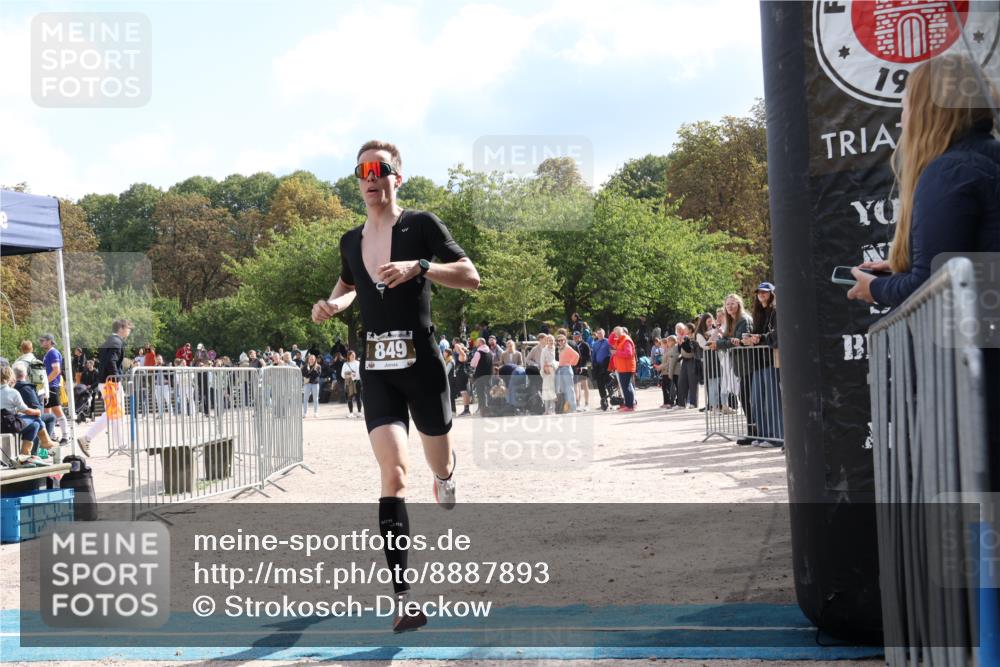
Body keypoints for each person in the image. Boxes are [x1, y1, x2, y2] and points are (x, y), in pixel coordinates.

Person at [311, 140, 479, 633]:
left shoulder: (421, 225)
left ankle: (446, 475)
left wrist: (420, 267)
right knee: (394, 475)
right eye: (362, 170)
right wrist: (332, 305)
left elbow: (470, 276)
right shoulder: (350, 240)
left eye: (379, 168)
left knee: (437, 462)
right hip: (378, 369)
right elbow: (348, 286)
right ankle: (404, 597)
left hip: (422, 365)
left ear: (396, 177)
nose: (370, 176)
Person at [847, 55, 999, 307]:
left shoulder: (949, 172)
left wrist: (876, 288)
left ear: (925, 112)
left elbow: (931, 286)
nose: (901, 119)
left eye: (905, 106)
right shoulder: (984, 157)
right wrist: (908, 267)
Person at [77, 318, 132, 457]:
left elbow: (108, 361)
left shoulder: (110, 341)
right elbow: (111, 362)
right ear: (121, 328)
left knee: (114, 413)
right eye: (128, 328)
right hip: (110, 383)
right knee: (115, 413)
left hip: (107, 382)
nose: (129, 331)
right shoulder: (116, 342)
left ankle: (118, 445)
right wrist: (116, 378)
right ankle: (90, 438)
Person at [712, 295, 754, 444]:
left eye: (732, 303)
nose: (729, 306)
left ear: (739, 304)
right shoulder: (732, 321)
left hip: (749, 364)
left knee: (747, 398)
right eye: (727, 304)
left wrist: (722, 343)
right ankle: (752, 431)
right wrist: (726, 341)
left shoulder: (743, 320)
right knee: (744, 397)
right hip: (741, 365)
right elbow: (727, 340)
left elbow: (740, 340)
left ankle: (754, 432)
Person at [745, 283, 782, 447]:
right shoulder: (758, 313)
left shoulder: (776, 311)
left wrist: (760, 338)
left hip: (771, 361)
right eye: (759, 292)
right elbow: (758, 335)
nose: (761, 294)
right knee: (756, 401)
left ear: (771, 293)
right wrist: (749, 339)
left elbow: (777, 334)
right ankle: (762, 435)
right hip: (758, 362)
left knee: (772, 401)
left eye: (764, 292)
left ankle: (776, 437)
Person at [1, 365, 57, 466]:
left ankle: (25, 456)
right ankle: (43, 443)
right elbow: (26, 410)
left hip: (3, 423)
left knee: (35, 425)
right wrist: (37, 412)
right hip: (10, 425)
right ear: (11, 377)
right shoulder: (12, 392)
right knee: (35, 417)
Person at [12, 363, 57, 441]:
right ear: (26, 374)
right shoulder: (28, 388)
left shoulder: (11, 387)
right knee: (50, 417)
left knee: (36, 422)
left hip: (11, 418)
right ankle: (43, 445)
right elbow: (36, 408)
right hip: (23, 417)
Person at [38, 333, 69, 444]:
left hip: (52, 386)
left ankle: (66, 436)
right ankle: (52, 435)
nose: (41, 343)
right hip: (48, 386)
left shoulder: (53, 353)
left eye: (43, 341)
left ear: (50, 341)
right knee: (47, 412)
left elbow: (56, 370)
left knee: (57, 410)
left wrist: (45, 382)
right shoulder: (49, 353)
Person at [608, 326, 637, 411]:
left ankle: (630, 406)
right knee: (625, 387)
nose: (615, 335)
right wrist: (613, 332)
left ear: (620, 333)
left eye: (616, 334)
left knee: (626, 387)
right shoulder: (620, 340)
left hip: (626, 367)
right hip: (622, 367)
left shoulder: (626, 340)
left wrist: (616, 352)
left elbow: (629, 354)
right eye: (614, 334)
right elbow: (610, 341)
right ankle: (628, 405)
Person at [554, 332, 580, 413]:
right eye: (559, 340)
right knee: (564, 390)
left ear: (565, 340)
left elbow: (576, 355)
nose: (560, 342)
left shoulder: (567, 347)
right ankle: (567, 408)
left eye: (562, 340)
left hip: (566, 369)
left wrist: (571, 363)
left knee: (569, 390)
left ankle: (573, 408)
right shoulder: (560, 348)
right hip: (561, 369)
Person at [591, 328, 612, 411]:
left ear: (604, 333)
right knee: (600, 386)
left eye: (601, 333)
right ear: (596, 334)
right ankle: (604, 403)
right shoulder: (595, 344)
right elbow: (593, 355)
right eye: (598, 333)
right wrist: (593, 365)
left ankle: (612, 401)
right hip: (598, 367)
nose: (599, 335)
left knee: (609, 385)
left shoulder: (608, 342)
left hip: (607, 367)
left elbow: (611, 353)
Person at [572, 330, 591, 410]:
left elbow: (588, 357)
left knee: (585, 386)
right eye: (574, 337)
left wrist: (582, 362)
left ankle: (586, 404)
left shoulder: (585, 344)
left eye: (577, 337)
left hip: (583, 367)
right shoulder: (572, 345)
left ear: (580, 337)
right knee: (576, 386)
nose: (575, 338)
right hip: (575, 367)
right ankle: (578, 404)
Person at [539, 334, 557, 414]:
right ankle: (546, 410)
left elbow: (557, 361)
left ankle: (552, 410)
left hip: (554, 372)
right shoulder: (544, 350)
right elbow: (542, 362)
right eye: (549, 340)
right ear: (547, 342)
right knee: (546, 391)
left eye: (552, 340)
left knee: (553, 391)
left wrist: (554, 365)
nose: (551, 342)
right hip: (546, 373)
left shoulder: (555, 349)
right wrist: (544, 370)